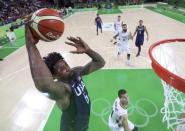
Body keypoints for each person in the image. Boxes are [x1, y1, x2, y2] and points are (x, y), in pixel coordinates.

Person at [25, 21, 105, 131]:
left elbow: (100, 63)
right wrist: (31, 45)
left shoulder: (75, 72)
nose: (67, 68)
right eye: (62, 69)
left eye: (66, 64)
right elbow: (44, 86)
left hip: (82, 122)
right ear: (54, 75)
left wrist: (88, 51)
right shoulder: (63, 90)